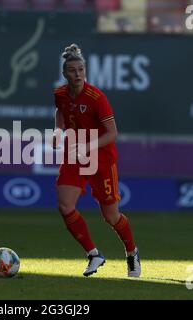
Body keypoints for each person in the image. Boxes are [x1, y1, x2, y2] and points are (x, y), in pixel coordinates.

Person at [52, 44, 141, 277]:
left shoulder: (96, 97)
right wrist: (59, 130)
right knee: (65, 205)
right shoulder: (60, 94)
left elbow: (113, 133)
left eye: (81, 69)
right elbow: (60, 112)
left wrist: (87, 145)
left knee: (111, 215)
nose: (78, 74)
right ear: (65, 74)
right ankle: (94, 254)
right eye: (72, 70)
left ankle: (131, 253)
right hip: (75, 156)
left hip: (101, 158)